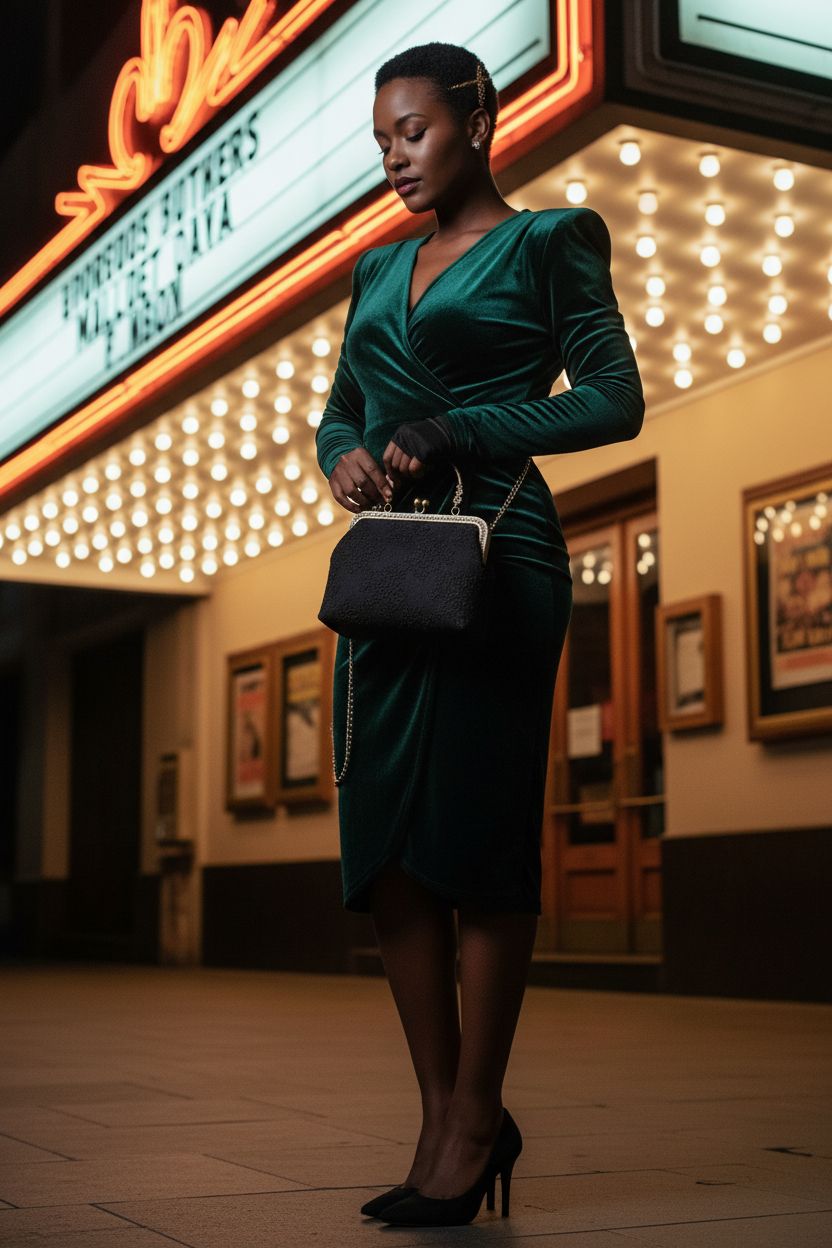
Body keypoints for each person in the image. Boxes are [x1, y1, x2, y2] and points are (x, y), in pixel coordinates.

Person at [315, 42, 644, 1227]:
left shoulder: (551, 241)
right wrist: (341, 456)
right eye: (380, 141)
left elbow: (613, 397)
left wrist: (462, 426)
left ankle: (470, 1119)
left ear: (476, 116)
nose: (395, 156)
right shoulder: (371, 270)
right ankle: (442, 1110)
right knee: (390, 851)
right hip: (392, 573)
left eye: (413, 130)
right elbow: (340, 411)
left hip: (500, 553)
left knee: (476, 834)